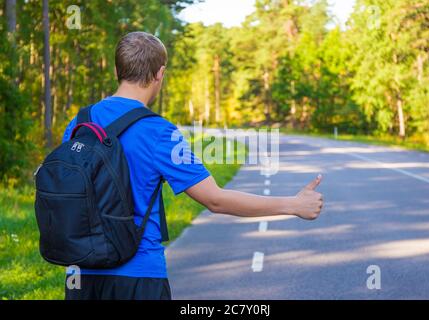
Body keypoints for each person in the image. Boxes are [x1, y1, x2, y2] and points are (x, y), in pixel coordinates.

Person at [62, 31, 324, 300]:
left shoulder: (80, 122)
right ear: (159, 74)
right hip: (138, 277)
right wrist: (293, 205)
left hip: (81, 274)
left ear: (117, 69)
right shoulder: (160, 132)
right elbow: (216, 200)